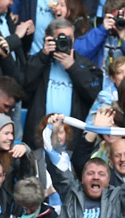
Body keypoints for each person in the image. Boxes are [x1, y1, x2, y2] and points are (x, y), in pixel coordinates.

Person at [23, 18, 102, 147]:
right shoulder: (39, 62)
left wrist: (72, 67)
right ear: (49, 39)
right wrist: (43, 56)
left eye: (69, 38)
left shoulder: (86, 66)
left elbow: (94, 95)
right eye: (60, 37)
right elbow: (24, 87)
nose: (65, 42)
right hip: (40, 136)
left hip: (72, 139)